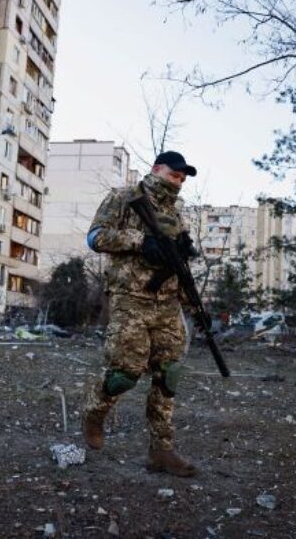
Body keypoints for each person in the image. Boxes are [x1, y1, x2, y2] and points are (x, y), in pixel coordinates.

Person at [81, 150, 199, 477]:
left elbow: (178, 264)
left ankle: (161, 451)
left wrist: (185, 258)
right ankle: (94, 413)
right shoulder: (123, 197)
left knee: (168, 374)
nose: (178, 181)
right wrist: (140, 241)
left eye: (182, 177)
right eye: (174, 174)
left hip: (167, 303)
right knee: (125, 373)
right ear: (156, 169)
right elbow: (95, 237)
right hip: (130, 298)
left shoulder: (176, 212)